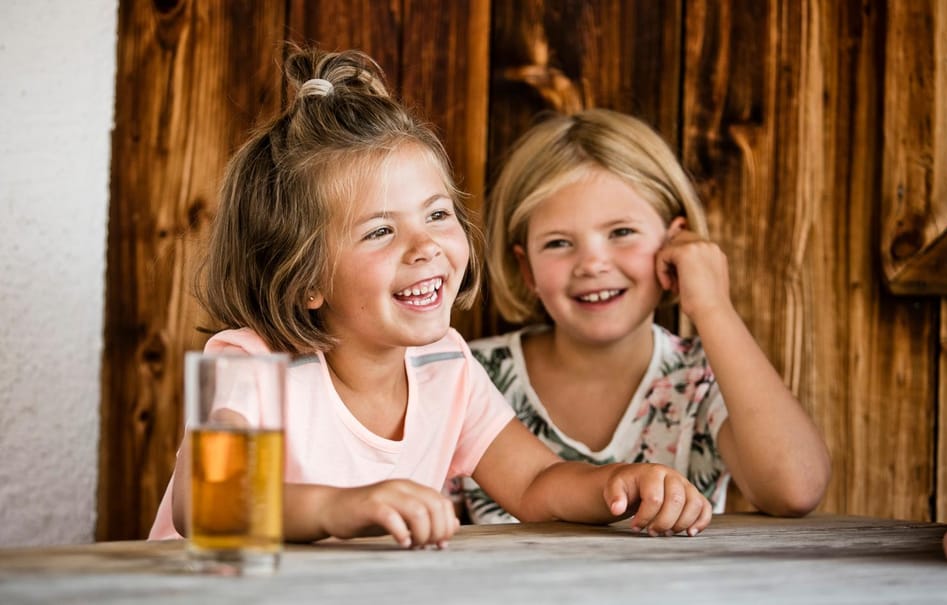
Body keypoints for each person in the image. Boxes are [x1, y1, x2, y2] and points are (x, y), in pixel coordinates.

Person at [149, 48, 713, 548]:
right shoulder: (252, 365)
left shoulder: (446, 364)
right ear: (304, 279)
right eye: (379, 231)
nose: (426, 247)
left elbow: (535, 483)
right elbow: (206, 502)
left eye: (438, 214)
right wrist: (339, 509)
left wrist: (618, 483)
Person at [463, 108, 831, 524]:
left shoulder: (706, 379)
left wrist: (712, 306)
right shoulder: (470, 376)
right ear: (526, 268)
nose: (593, 264)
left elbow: (795, 489)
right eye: (559, 243)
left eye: (621, 233)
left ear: (675, 242)